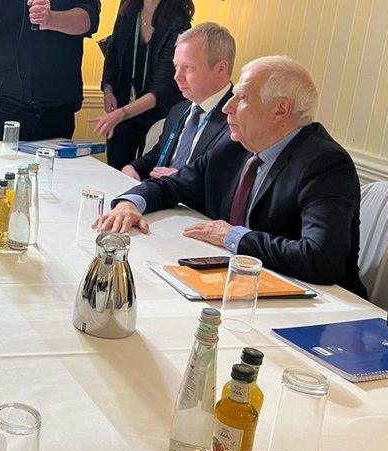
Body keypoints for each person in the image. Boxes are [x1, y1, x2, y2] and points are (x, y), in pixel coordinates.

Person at [98, 56, 367, 296]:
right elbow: (174, 185)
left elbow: (320, 260)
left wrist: (233, 236)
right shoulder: (234, 144)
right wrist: (130, 204)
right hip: (239, 284)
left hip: (321, 307)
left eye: (243, 97)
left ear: (280, 110)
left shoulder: (325, 163)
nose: (227, 107)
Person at [0, 0, 100, 141]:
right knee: (1, 161)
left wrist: (51, 19)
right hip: (1, 97)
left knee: (54, 162)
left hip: (56, 101)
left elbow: (89, 20)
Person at [123, 22, 235, 180]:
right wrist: (133, 168)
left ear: (221, 69)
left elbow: (230, 182)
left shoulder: (239, 118)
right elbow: (158, 154)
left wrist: (180, 178)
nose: (177, 76)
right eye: (176, 67)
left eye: (188, 67)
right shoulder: (179, 110)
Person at [94, 0, 193, 169]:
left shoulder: (178, 23)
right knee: (116, 168)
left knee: (144, 172)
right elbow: (112, 54)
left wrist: (121, 113)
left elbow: (162, 89)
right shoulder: (128, 11)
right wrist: (108, 91)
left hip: (159, 112)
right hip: (123, 103)